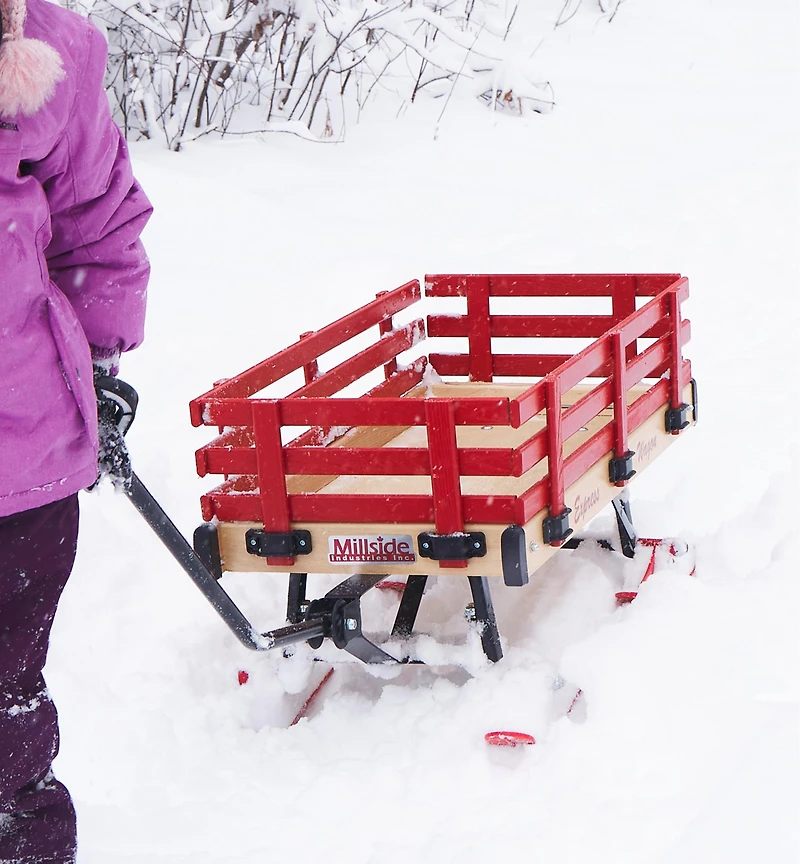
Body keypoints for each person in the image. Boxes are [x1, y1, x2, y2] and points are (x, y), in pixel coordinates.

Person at [0, 0, 152, 858]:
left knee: (4, 690)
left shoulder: (52, 52)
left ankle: (21, 834)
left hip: (19, 452)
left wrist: (98, 365)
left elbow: (98, 222)